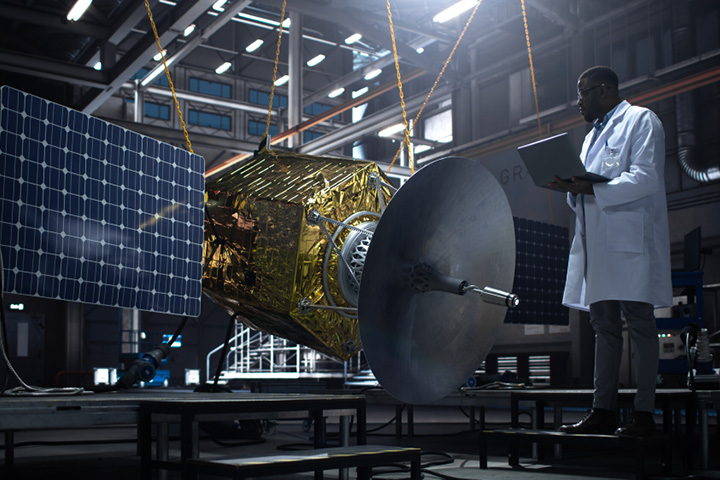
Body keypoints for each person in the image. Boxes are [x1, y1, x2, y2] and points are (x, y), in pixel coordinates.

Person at [548, 66, 672, 437]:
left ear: (603, 90)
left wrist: (591, 190)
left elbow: (646, 176)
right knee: (603, 326)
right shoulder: (589, 139)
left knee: (639, 323)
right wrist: (571, 189)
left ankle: (645, 414)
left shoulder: (641, 121)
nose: (579, 101)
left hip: (630, 241)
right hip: (598, 245)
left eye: (582, 93)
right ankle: (602, 409)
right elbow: (586, 194)